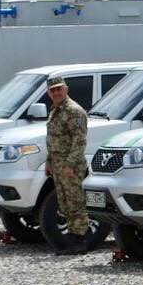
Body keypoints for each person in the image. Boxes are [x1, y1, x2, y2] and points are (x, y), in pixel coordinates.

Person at [45, 76, 91, 255]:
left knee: (75, 202)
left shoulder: (74, 111)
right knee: (64, 203)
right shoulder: (55, 110)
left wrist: (70, 165)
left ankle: (80, 241)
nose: (56, 92)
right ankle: (72, 237)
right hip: (57, 165)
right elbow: (53, 139)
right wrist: (49, 161)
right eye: (52, 90)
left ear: (66, 89)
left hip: (71, 166)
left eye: (58, 89)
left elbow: (79, 141)